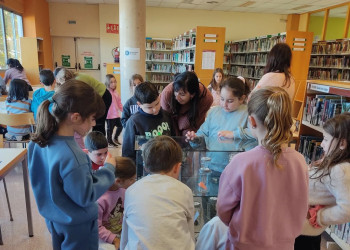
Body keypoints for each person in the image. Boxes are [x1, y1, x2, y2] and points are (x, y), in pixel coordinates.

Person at [28, 80, 117, 250]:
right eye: (92, 119)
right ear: (75, 117)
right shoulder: (73, 156)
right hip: (78, 227)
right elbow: (85, 195)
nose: (93, 124)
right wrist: (108, 170)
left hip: (54, 219)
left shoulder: (38, 142)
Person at [217, 87, 309, 250]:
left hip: (243, 245)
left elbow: (223, 211)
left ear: (251, 121)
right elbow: (301, 207)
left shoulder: (241, 163)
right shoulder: (300, 162)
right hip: (285, 245)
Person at [120, 135, 195, 250]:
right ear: (177, 167)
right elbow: (190, 232)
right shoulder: (185, 191)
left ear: (145, 167)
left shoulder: (131, 190)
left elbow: (125, 233)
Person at [295, 113, 350, 250]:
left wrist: (320, 217)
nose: (322, 143)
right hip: (300, 227)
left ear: (342, 143)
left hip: (305, 232)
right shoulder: (333, 163)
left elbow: (347, 209)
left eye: (326, 139)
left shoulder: (341, 170)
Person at [122, 82, 175, 162]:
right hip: (144, 167)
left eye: (157, 104)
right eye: (149, 107)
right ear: (139, 104)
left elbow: (173, 139)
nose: (155, 109)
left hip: (166, 163)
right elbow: (127, 152)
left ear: (159, 96)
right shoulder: (133, 122)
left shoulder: (167, 115)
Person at [54, 67, 112, 136]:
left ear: (65, 79)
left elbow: (82, 97)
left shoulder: (78, 80)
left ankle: (98, 143)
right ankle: (95, 141)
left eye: (62, 83)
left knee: (98, 122)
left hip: (104, 95)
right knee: (95, 121)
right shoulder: (74, 77)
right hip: (98, 96)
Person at [97, 156, 136, 250]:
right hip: (102, 237)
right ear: (118, 181)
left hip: (119, 231)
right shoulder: (100, 199)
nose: (134, 182)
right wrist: (114, 239)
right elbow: (96, 227)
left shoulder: (123, 189)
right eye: (131, 179)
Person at [161, 71, 213, 136]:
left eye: (182, 94)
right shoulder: (167, 93)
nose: (177, 97)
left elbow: (192, 124)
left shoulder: (206, 98)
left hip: (192, 127)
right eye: (176, 91)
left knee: (189, 137)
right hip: (172, 124)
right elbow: (167, 120)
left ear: (192, 95)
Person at [105, 74, 123, 147]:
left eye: (115, 82)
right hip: (109, 115)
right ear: (107, 83)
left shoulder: (116, 92)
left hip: (116, 114)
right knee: (110, 129)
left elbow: (119, 103)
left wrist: (123, 110)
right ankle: (109, 141)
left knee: (121, 126)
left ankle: (115, 138)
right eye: (111, 82)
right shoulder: (106, 92)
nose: (113, 84)